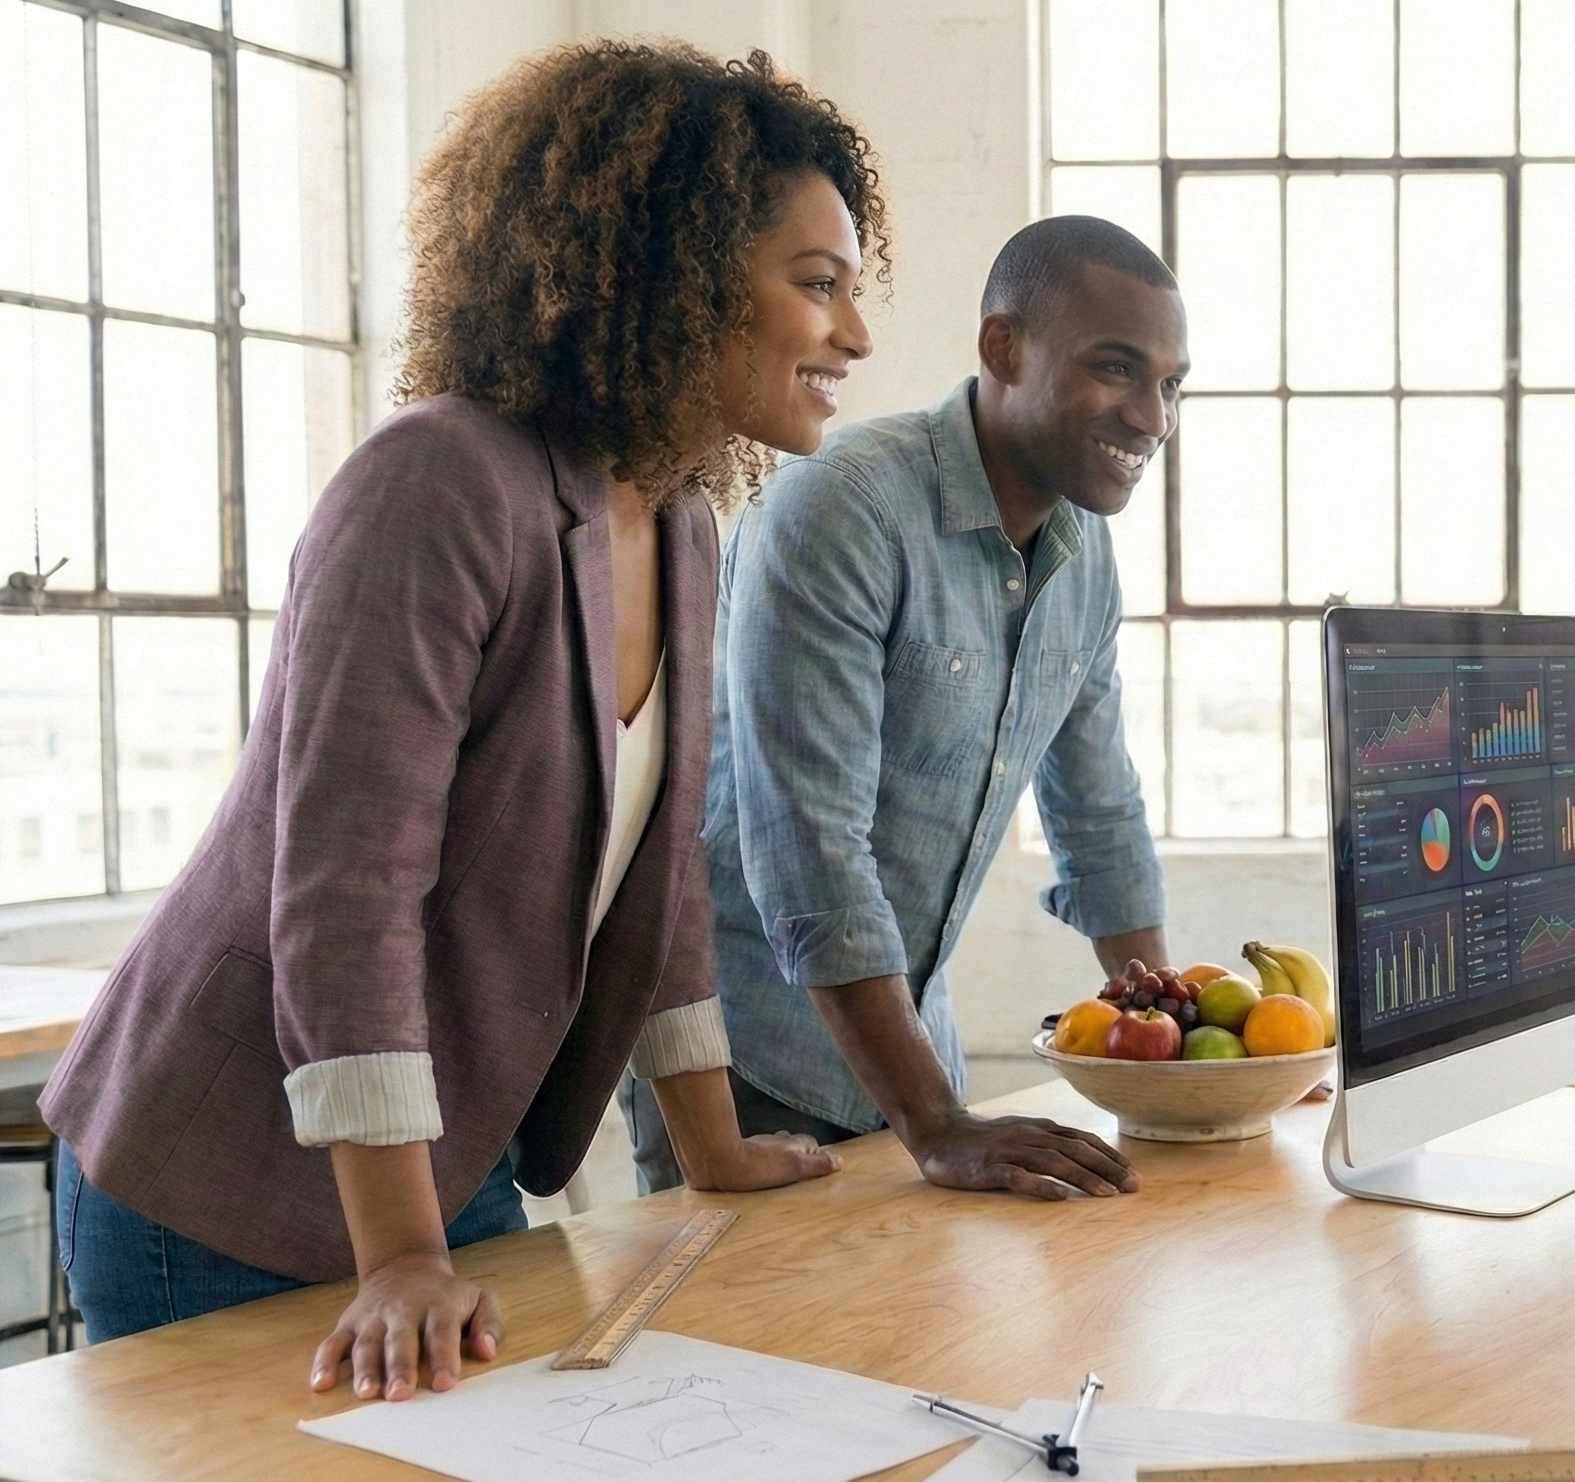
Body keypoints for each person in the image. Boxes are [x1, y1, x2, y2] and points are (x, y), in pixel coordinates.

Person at [41, 41, 882, 1399]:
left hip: (447, 1174)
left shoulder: (681, 521)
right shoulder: (434, 483)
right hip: (226, 1189)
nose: (852, 336)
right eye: (817, 285)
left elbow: (655, 883)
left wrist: (713, 1144)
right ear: (673, 270)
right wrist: (398, 1263)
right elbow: (345, 892)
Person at [625, 217, 1182, 1202]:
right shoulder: (839, 508)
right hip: (751, 1069)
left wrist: (1183, 1057)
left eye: (1171, 384)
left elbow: (1099, 817)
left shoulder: (1083, 556)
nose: (1153, 417)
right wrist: (937, 1126)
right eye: (1117, 370)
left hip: (922, 1061)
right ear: (1003, 347)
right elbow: (810, 846)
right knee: (737, 1357)